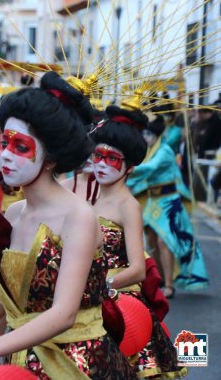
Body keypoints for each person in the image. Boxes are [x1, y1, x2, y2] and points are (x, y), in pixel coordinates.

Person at [0, 72, 136, 379]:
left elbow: (63, 314)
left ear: (50, 158)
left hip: (78, 365)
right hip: (20, 362)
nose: (5, 156)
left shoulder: (78, 217)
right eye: (5, 143)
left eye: (21, 147)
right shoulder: (10, 216)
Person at [90, 102, 187, 378]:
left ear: (130, 167)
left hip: (120, 304)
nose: (102, 165)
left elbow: (137, 269)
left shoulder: (128, 205)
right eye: (98, 155)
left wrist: (98, 284)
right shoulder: (90, 198)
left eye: (113, 159)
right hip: (87, 297)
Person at [127, 116, 209, 296]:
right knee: (152, 242)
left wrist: (126, 168)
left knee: (166, 242)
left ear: (155, 135)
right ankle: (162, 279)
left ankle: (170, 285)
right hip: (153, 200)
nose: (145, 137)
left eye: (148, 134)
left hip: (168, 202)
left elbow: (148, 169)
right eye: (144, 133)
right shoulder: (149, 150)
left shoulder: (164, 151)